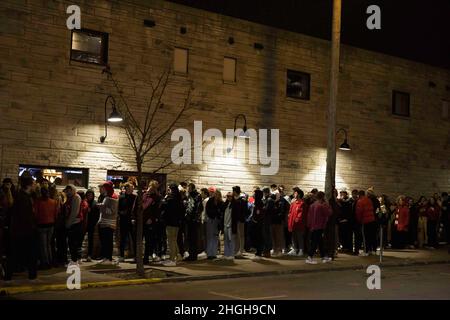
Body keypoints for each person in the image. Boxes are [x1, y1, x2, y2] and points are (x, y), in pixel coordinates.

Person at [4, 177, 38, 281]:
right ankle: (31, 274)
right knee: (28, 253)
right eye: (34, 183)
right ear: (29, 185)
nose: (35, 185)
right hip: (24, 231)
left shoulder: (23, 196)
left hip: (19, 230)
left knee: (15, 253)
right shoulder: (23, 198)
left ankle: (9, 275)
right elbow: (24, 216)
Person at [34, 185, 59, 269]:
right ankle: (50, 261)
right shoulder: (53, 202)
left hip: (41, 225)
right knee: (48, 244)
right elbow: (56, 214)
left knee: (43, 245)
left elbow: (35, 214)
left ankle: (45, 263)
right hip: (51, 224)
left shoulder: (38, 202)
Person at [160, 183, 185, 266]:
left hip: (171, 222)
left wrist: (165, 198)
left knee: (171, 241)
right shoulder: (179, 198)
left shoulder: (170, 198)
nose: (168, 190)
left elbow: (163, 207)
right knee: (174, 240)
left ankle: (172, 259)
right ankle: (177, 256)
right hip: (177, 222)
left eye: (169, 189)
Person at [305, 191, 332, 264]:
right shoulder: (322, 205)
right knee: (315, 242)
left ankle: (323, 256)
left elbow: (309, 216)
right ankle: (309, 257)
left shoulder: (312, 205)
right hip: (319, 226)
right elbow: (329, 213)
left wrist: (309, 225)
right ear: (323, 197)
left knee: (320, 242)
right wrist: (327, 204)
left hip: (313, 226)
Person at [97, 182, 119, 264]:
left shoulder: (113, 197)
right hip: (104, 222)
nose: (100, 189)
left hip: (109, 223)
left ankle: (108, 258)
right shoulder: (106, 197)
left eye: (102, 188)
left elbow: (112, 211)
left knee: (108, 241)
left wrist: (101, 207)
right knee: (104, 241)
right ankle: (105, 257)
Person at [142, 180, 162, 264]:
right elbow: (141, 205)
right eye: (151, 186)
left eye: (153, 187)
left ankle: (147, 257)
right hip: (143, 219)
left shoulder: (157, 197)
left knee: (149, 240)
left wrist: (152, 218)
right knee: (143, 239)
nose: (151, 188)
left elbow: (157, 210)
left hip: (150, 221)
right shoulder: (145, 195)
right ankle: (143, 256)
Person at [63, 184, 83, 266]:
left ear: (72, 190)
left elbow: (74, 212)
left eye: (68, 191)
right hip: (72, 223)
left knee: (73, 243)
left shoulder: (76, 197)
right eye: (66, 191)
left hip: (75, 223)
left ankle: (74, 261)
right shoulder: (70, 198)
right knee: (71, 243)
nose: (67, 192)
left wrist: (68, 224)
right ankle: (74, 260)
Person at [118, 183, 136, 262]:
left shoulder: (135, 197)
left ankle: (136, 256)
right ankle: (122, 256)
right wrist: (121, 212)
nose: (132, 189)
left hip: (132, 221)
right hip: (123, 220)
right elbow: (118, 208)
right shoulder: (121, 197)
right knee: (123, 238)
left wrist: (134, 218)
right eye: (131, 188)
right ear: (127, 188)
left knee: (134, 239)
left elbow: (137, 209)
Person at [184, 183, 202, 261]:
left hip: (193, 220)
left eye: (189, 188)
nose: (188, 189)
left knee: (193, 238)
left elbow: (198, 208)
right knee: (190, 238)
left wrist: (195, 218)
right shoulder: (190, 196)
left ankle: (193, 255)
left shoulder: (196, 196)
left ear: (192, 188)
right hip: (189, 219)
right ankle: (191, 254)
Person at [355, 190, 376, 256]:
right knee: (371, 236)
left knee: (365, 237)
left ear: (359, 195)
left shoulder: (360, 201)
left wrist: (359, 220)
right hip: (372, 220)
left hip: (365, 220)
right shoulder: (369, 200)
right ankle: (372, 250)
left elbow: (359, 212)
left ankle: (366, 251)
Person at [205, 188, 223, 260]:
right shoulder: (210, 200)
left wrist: (217, 213)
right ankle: (209, 254)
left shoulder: (221, 202)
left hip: (217, 221)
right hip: (211, 220)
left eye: (218, 194)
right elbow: (208, 210)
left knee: (215, 237)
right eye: (216, 193)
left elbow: (221, 212)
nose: (216, 195)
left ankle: (214, 253)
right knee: (210, 237)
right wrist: (215, 212)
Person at [287, 187, 305, 256]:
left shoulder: (302, 203)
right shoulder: (293, 203)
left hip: (298, 223)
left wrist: (297, 219)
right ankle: (294, 249)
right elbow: (290, 211)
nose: (294, 194)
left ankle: (301, 250)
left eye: (295, 193)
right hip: (292, 222)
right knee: (293, 236)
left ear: (299, 194)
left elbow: (301, 213)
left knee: (299, 236)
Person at [271, 189, 289, 257]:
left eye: (276, 194)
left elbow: (284, 210)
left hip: (279, 221)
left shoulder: (283, 200)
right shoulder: (272, 200)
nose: (275, 195)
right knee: (273, 236)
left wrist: (282, 217)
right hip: (273, 221)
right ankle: (275, 249)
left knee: (279, 236)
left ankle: (280, 250)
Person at [232, 186, 248, 258]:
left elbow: (245, 210)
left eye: (233, 191)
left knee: (241, 235)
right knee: (236, 236)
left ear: (236, 191)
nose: (232, 192)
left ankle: (241, 251)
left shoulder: (242, 200)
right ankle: (236, 250)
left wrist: (242, 217)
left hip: (240, 220)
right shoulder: (233, 199)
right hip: (234, 220)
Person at [222, 192, 238, 260]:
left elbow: (236, 216)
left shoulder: (235, 204)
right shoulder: (225, 204)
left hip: (231, 225)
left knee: (231, 240)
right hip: (225, 224)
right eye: (227, 196)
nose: (228, 198)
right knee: (226, 240)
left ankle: (231, 254)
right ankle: (226, 253)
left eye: (230, 196)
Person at [85, 189, 99, 261]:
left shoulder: (95, 203)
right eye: (88, 195)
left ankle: (89, 255)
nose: (89, 196)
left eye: (91, 195)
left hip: (91, 224)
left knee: (90, 240)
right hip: (84, 224)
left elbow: (97, 215)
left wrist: (95, 223)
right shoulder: (84, 202)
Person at [325, 188, 340, 260]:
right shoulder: (331, 201)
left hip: (335, 221)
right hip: (330, 221)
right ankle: (331, 251)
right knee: (331, 236)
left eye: (335, 192)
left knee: (335, 236)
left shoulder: (337, 201)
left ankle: (335, 250)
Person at [251, 189, 265, 261]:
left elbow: (259, 214)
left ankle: (259, 253)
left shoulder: (260, 203)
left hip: (259, 223)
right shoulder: (257, 202)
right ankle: (257, 252)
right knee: (256, 238)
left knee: (259, 238)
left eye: (255, 194)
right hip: (256, 223)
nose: (253, 195)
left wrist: (256, 220)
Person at [262, 187, 275, 258]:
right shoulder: (267, 199)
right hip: (266, 220)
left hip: (267, 220)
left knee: (267, 236)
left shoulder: (270, 200)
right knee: (265, 236)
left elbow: (266, 210)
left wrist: (262, 207)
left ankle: (267, 251)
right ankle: (266, 251)